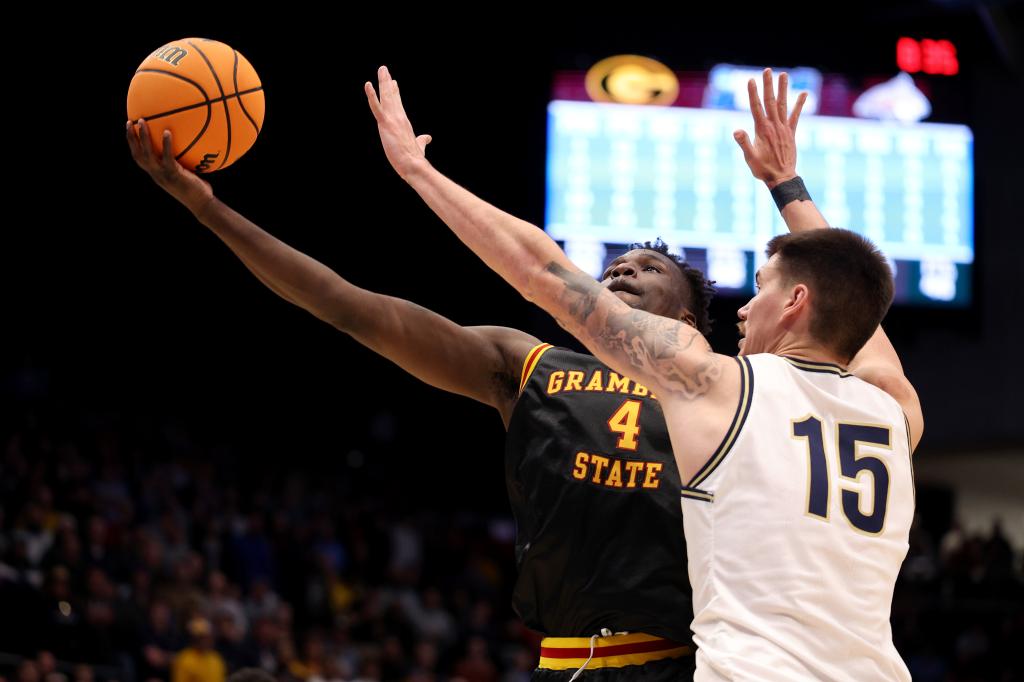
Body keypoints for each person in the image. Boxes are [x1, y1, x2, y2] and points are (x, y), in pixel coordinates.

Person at [365, 65, 923, 681]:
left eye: (761, 289)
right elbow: (851, 299)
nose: (743, 306)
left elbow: (542, 272)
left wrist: (420, 174)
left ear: (794, 304)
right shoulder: (893, 412)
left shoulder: (724, 386)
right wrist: (788, 185)